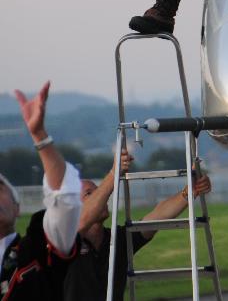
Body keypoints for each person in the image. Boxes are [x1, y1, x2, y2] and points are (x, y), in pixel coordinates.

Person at [63, 149, 211, 301]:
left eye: (99, 192)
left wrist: (189, 192)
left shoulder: (117, 239)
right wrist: (114, 173)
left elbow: (156, 217)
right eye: (89, 194)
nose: (102, 198)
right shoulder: (65, 242)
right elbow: (82, 221)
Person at [0, 81, 81, 299]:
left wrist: (39, 136)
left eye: (0, 189)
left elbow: (65, 200)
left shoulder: (37, 247)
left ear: (17, 208)